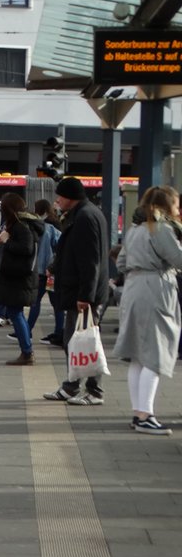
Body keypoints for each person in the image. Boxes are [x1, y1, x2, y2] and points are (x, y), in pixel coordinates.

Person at [111, 186, 182, 435]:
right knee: (155, 352)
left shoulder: (135, 230)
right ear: (167, 206)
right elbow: (179, 259)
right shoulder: (160, 229)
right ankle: (145, 414)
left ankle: (138, 411)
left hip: (134, 288)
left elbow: (120, 262)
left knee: (138, 355)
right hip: (155, 289)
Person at [43, 176, 110, 406]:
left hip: (84, 295)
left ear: (70, 197)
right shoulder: (85, 213)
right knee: (74, 342)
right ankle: (72, 386)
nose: (57, 200)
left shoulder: (85, 217)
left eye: (60, 195)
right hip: (79, 292)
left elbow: (90, 260)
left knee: (86, 342)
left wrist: (85, 296)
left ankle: (94, 391)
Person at [0, 193, 45, 366]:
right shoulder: (23, 224)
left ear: (9, 209)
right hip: (20, 277)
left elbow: (26, 248)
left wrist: (6, 242)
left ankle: (27, 352)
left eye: (3, 209)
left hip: (18, 278)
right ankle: (26, 351)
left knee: (15, 313)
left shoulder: (21, 226)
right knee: (16, 313)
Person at [30, 199, 62, 346]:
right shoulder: (55, 224)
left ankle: (26, 330)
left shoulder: (44, 227)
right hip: (51, 272)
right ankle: (59, 332)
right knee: (56, 303)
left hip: (44, 272)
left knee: (36, 301)